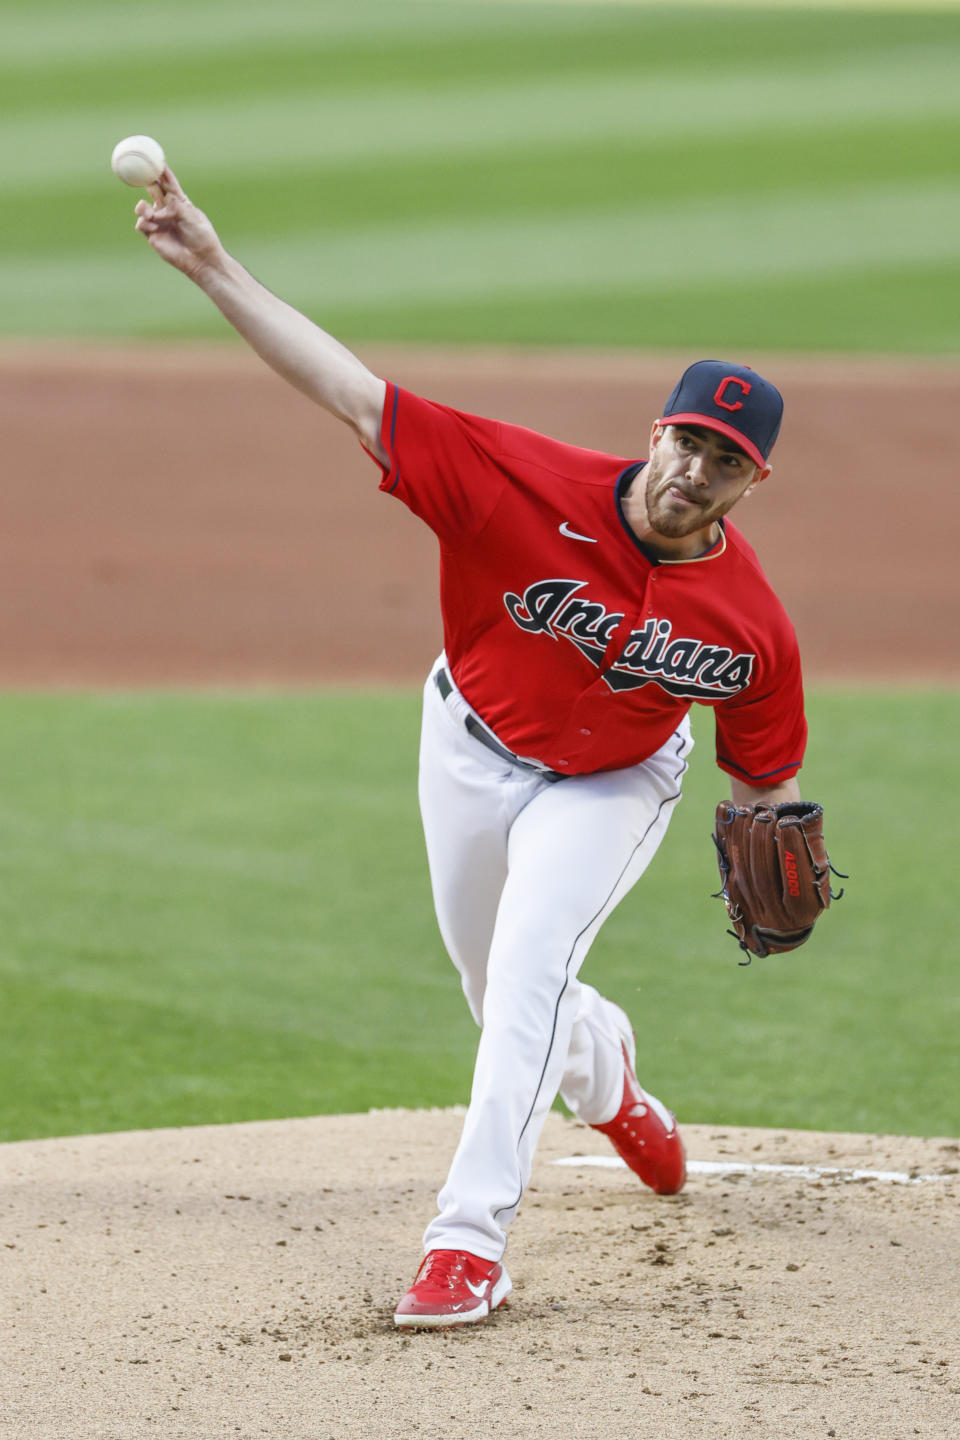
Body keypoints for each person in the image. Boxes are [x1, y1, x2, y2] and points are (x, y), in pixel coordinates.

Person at [132, 168, 808, 1329]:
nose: (699, 468)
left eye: (727, 458)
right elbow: (351, 393)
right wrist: (210, 264)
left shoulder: (753, 626)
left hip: (612, 785)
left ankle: (467, 1241)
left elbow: (765, 774)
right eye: (690, 439)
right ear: (658, 431)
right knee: (491, 987)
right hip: (467, 745)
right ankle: (610, 1077)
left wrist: (772, 844)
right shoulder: (514, 477)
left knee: (530, 965)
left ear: (755, 478)